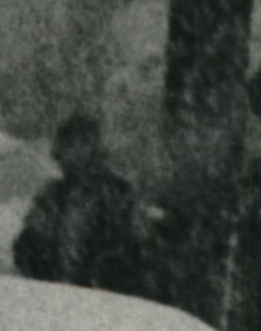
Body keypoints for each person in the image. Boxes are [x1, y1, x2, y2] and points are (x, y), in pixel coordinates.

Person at [11, 111, 155, 296]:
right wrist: (38, 259)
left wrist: (106, 272)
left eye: (67, 146)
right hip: (55, 297)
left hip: (104, 302)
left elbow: (138, 250)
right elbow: (29, 244)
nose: (57, 155)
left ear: (87, 146)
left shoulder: (118, 194)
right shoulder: (54, 194)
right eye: (61, 145)